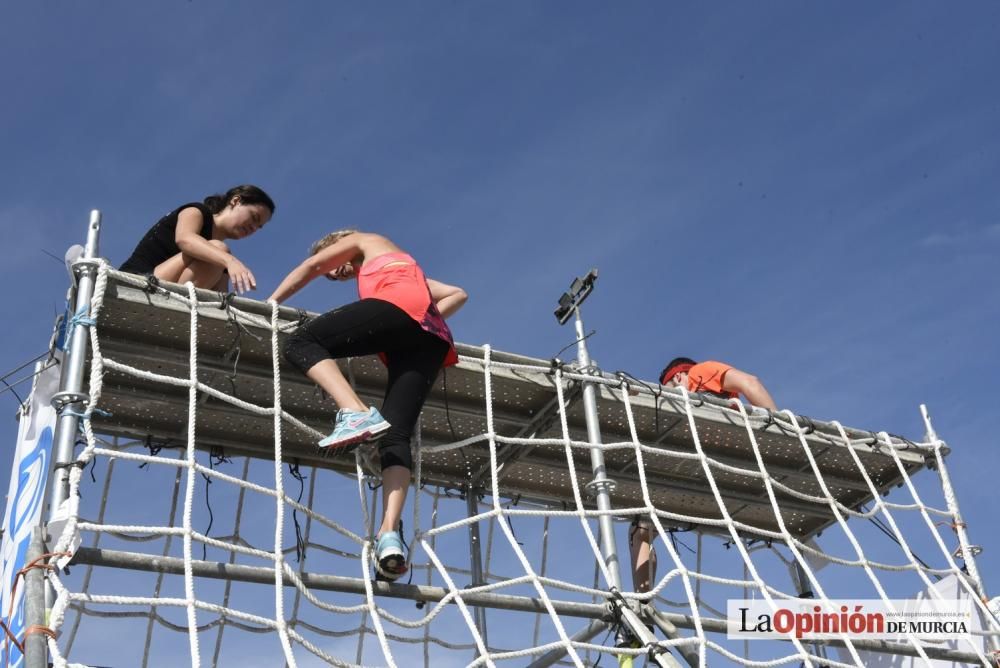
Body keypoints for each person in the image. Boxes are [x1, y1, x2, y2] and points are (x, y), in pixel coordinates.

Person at [269, 230, 467, 581]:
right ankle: (389, 534)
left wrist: (273, 301)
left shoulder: (366, 241)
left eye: (335, 266)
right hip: (430, 339)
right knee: (395, 436)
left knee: (301, 342)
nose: (334, 273)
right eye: (333, 275)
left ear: (338, 245)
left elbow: (313, 265)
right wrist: (424, 318)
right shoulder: (406, 271)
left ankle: (356, 411)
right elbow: (457, 294)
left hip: (400, 312)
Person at [626, 358, 777, 619]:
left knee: (641, 529)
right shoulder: (686, 401)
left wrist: (781, 429)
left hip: (714, 466)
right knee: (641, 527)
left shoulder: (699, 373)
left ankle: (642, 605)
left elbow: (749, 382)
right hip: (712, 474)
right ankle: (643, 606)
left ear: (676, 378)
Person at [120, 184, 275, 294]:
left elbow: (219, 295)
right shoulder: (195, 211)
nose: (253, 228)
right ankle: (177, 307)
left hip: (163, 288)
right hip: (134, 282)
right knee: (219, 250)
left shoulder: (221, 260)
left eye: (259, 227)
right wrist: (230, 261)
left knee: (219, 254)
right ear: (236, 201)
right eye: (254, 217)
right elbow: (185, 239)